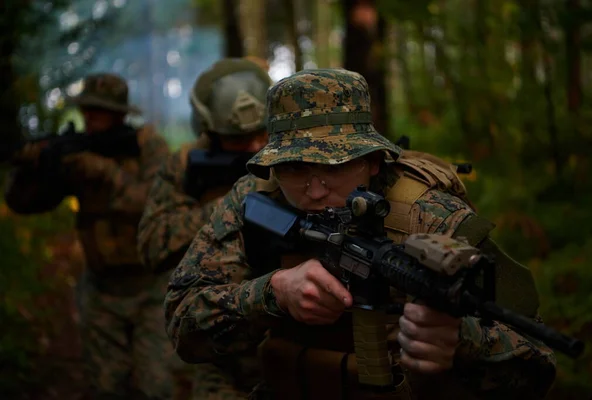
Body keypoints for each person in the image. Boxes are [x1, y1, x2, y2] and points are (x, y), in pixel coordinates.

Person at [163, 69, 557, 400]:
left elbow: (538, 364)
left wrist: (464, 342)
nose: (315, 190)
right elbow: (183, 326)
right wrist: (270, 294)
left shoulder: (433, 218)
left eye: (334, 168)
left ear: (372, 162)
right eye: (295, 168)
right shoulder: (254, 197)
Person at [4, 73, 176, 399]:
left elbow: (156, 203)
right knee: (107, 388)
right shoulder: (75, 154)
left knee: (157, 388)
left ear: (121, 113)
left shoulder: (147, 146)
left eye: (102, 109)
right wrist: (32, 168)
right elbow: (25, 204)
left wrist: (105, 173)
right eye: (88, 109)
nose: (92, 116)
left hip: (151, 288)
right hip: (101, 291)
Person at [137, 58, 271, 399]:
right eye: (239, 139)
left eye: (262, 133)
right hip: (222, 350)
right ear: (209, 129)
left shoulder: (295, 155)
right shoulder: (185, 165)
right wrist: (229, 207)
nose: (255, 147)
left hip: (290, 342)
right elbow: (152, 245)